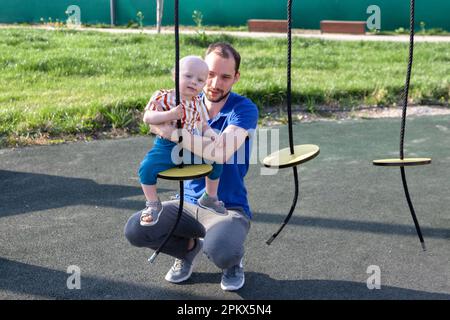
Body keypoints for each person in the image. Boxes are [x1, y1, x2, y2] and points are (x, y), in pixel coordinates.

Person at [124, 42, 258, 291]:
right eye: (209, 75)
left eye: (225, 77)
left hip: (225, 205)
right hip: (185, 202)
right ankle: (188, 249)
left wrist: (175, 133)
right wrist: (161, 121)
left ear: (236, 78)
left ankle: (232, 262)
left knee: (221, 249)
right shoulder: (180, 101)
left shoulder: (243, 109)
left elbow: (220, 152)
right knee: (137, 229)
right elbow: (151, 118)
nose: (215, 83)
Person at [138, 55, 226, 227]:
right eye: (188, 76)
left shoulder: (197, 103)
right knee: (146, 168)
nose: (194, 82)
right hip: (166, 146)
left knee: (216, 160)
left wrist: (212, 136)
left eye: (200, 80)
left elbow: (202, 124)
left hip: (189, 146)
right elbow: (147, 117)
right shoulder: (163, 96)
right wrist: (169, 115)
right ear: (175, 75)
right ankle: (153, 204)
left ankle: (209, 197)